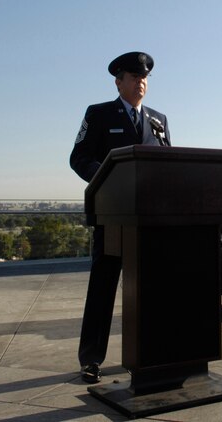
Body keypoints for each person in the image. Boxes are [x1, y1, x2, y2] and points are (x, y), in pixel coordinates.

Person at [69, 51, 170, 384]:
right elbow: (78, 157)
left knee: (149, 288)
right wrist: (104, 177)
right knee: (103, 286)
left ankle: (149, 353)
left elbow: (167, 162)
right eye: (134, 77)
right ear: (118, 81)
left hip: (148, 220)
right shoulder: (98, 114)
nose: (141, 83)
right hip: (112, 216)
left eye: (145, 78)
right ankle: (91, 358)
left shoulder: (158, 119)